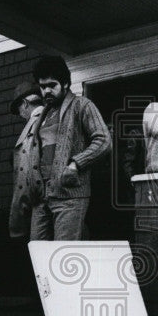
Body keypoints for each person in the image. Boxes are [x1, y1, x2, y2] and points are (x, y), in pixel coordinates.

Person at [26, 55, 111, 242]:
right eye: (42, 86)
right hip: (42, 197)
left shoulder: (82, 105)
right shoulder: (43, 115)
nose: (47, 90)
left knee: (64, 256)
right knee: (39, 254)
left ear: (65, 84)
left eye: (52, 85)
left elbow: (104, 141)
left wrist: (75, 164)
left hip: (69, 196)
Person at [8, 81, 44, 240]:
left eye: (19, 111)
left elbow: (25, 172)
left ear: (24, 104)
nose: (21, 116)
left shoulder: (35, 124)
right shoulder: (53, 116)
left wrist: (19, 216)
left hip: (38, 206)